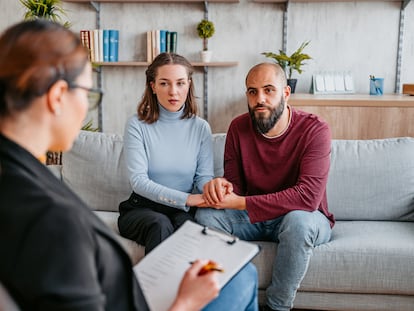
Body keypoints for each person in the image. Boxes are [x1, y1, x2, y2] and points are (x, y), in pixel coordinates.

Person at [0, 20, 258, 311]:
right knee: (244, 277)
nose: (86, 106)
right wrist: (184, 304)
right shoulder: (48, 214)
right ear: (58, 96)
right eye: (88, 94)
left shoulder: (20, 179)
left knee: (240, 273)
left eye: (180, 83)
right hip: (147, 230)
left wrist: (209, 188)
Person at [195, 62, 335, 311]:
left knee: (299, 223)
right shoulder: (238, 127)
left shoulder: (315, 129)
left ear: (286, 93)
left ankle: (277, 307)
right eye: (252, 91)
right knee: (206, 215)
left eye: (269, 90)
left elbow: (308, 198)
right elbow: (235, 185)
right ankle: (229, 300)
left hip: (305, 218)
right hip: (255, 218)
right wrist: (222, 187)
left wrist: (240, 202)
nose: (260, 99)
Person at [118, 53, 214, 254]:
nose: (173, 92)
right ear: (152, 86)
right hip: (141, 209)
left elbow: (203, 178)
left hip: (181, 212)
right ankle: (152, 286)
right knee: (160, 224)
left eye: (180, 83)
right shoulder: (136, 125)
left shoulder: (201, 127)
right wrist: (187, 199)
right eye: (164, 83)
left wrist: (212, 190)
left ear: (189, 84)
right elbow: (138, 181)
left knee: (191, 231)